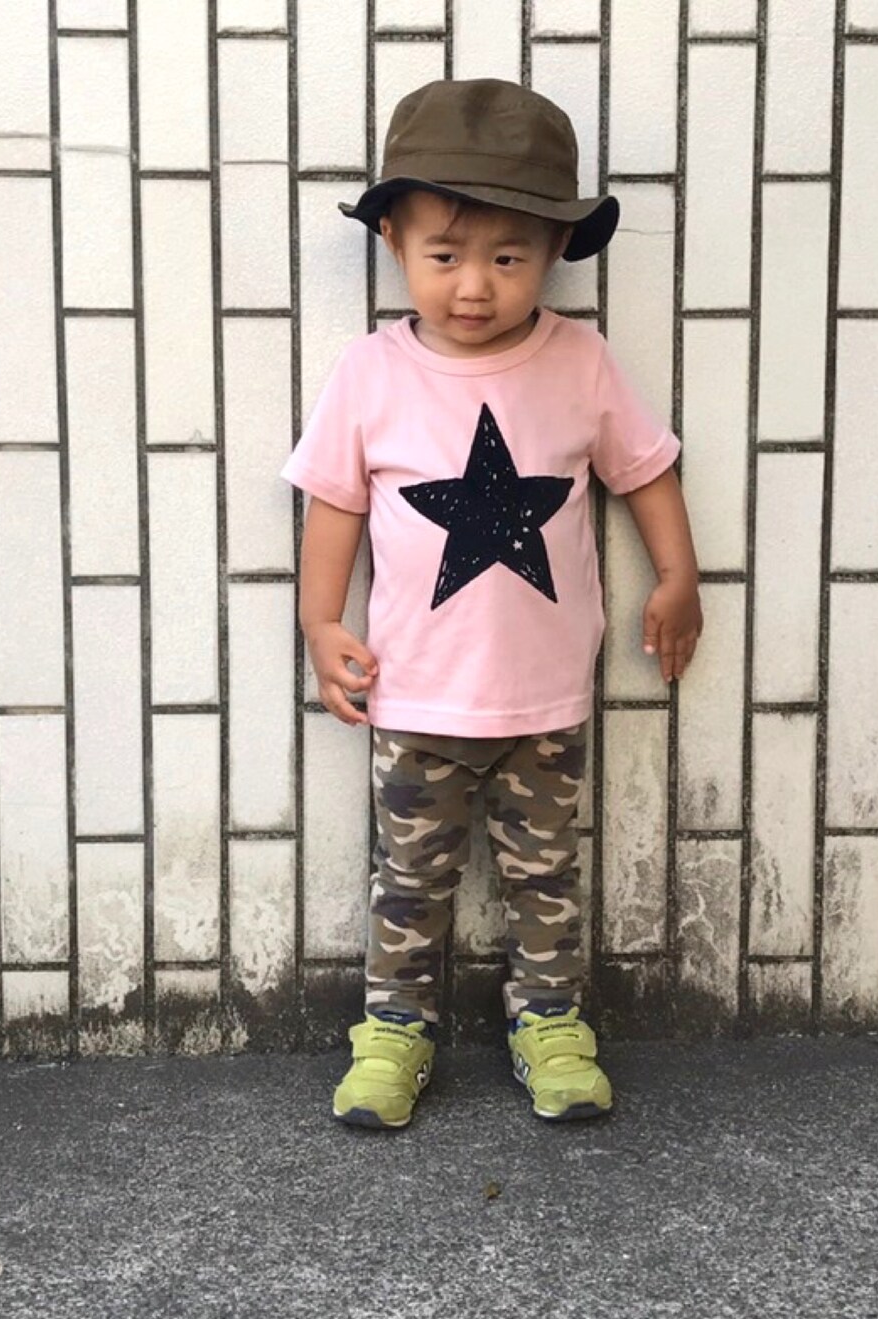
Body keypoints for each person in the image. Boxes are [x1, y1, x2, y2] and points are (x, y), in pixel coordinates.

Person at [281, 78, 702, 1129]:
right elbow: (334, 504)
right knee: (407, 880)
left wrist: (678, 575)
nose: (474, 286)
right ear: (392, 242)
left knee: (546, 877)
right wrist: (321, 623)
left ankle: (551, 1023)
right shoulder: (371, 373)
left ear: (553, 251)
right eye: (445, 255)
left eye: (508, 258)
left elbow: (645, 471)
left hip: (544, 698)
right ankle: (392, 1029)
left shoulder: (580, 361)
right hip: (414, 695)